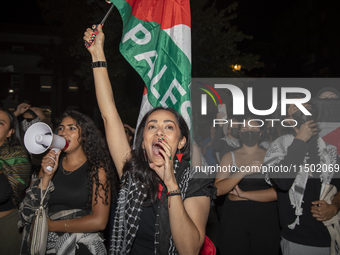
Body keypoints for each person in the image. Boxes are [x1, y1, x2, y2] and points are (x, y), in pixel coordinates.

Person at [84, 25, 215, 254]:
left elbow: (189, 249)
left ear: (182, 142)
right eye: (152, 126)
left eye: (169, 127)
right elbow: (109, 114)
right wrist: (97, 54)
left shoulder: (195, 179)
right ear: (143, 140)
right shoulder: (132, 170)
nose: (159, 132)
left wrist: (172, 184)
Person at [19, 109, 116, 255]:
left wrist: (51, 226)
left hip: (79, 245)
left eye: (72, 128)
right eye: (61, 128)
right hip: (45, 244)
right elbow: (32, 205)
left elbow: (99, 221)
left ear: (84, 135)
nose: (64, 133)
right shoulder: (48, 165)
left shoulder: (98, 169)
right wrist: (46, 175)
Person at [264, 95, 340, 255]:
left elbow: (339, 187)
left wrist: (334, 207)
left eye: (306, 104)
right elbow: (282, 182)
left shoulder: (329, 151)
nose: (303, 107)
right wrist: (300, 140)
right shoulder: (279, 147)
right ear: (287, 119)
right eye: (296, 106)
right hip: (298, 238)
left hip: (331, 234)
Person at [215, 116, 280, 255]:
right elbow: (218, 190)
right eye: (245, 129)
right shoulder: (229, 156)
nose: (249, 132)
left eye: (254, 128)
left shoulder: (271, 156)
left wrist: (244, 195)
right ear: (240, 133)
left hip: (266, 218)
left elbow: (278, 192)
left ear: (261, 132)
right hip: (235, 218)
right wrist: (243, 171)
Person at [0, 108, 31, 254]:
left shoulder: (17, 154)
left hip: (4, 226)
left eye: (0, 123)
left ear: (10, 132)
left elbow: (3, 193)